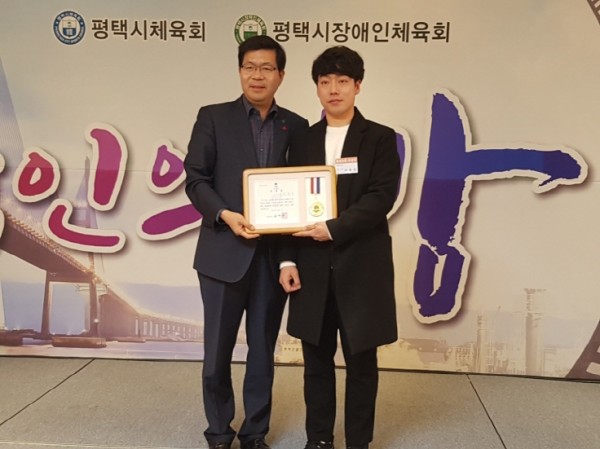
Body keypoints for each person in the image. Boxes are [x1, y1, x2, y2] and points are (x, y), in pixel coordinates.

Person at [184, 35, 308, 449]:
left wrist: (289, 260)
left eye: (267, 68)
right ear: (240, 71)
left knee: (262, 355)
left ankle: (255, 433)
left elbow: (298, 198)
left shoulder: (297, 126)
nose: (258, 75)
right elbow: (196, 178)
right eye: (250, 67)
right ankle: (219, 432)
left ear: (281, 75)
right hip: (222, 254)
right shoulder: (213, 117)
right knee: (217, 354)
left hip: (272, 260)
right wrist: (224, 214)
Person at [279, 46, 401, 449]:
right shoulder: (302, 140)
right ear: (317, 87)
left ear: (358, 86)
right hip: (311, 268)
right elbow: (287, 202)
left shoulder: (380, 138)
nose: (334, 89)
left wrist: (332, 229)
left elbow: (381, 197)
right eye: (325, 81)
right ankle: (318, 440)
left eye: (343, 81)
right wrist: (286, 259)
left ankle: (358, 443)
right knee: (315, 362)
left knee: (362, 363)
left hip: (361, 267)